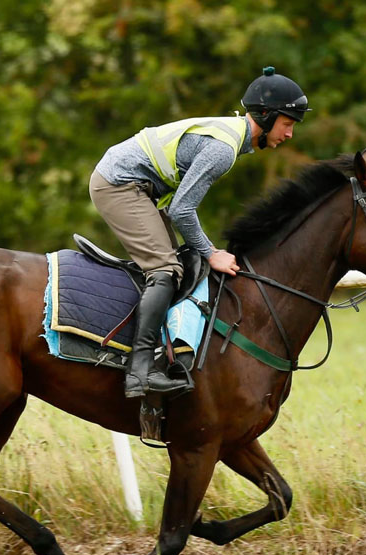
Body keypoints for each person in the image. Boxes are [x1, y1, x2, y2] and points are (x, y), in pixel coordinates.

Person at [89, 66, 310, 399]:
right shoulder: (223, 150)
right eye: (288, 124)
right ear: (266, 116)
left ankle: (163, 355)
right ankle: (139, 371)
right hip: (119, 184)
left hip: (137, 186)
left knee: (179, 264)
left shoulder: (231, 138)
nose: (289, 134)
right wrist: (212, 253)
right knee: (165, 271)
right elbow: (181, 209)